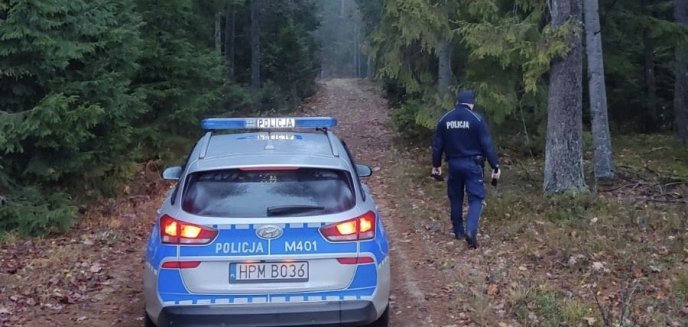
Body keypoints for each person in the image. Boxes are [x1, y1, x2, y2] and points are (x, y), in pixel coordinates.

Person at [431, 90, 500, 249]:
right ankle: (470, 230)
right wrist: (495, 165)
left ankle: (458, 232)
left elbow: (437, 146)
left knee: (455, 197)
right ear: (472, 102)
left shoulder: (444, 119)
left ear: (458, 101)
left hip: (454, 164)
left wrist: (436, 165)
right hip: (473, 165)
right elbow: (487, 145)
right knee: (476, 198)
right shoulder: (477, 119)